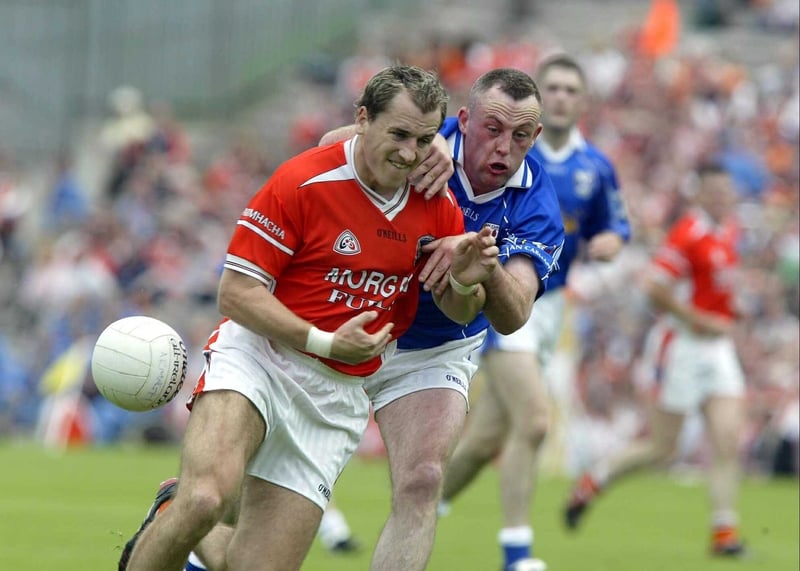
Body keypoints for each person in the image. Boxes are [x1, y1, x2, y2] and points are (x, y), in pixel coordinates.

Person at [142, 66, 565, 571]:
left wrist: (479, 269)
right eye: (492, 130)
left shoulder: (537, 205)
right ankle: (186, 523)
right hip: (331, 327)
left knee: (423, 478)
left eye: (520, 136)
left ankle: (193, 529)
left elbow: (513, 314)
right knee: (216, 500)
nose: (503, 147)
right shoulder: (425, 136)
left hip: (432, 347)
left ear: (536, 137)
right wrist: (417, 148)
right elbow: (335, 145)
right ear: (466, 121)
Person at [439, 53, 631, 571]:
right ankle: (517, 552)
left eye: (573, 89)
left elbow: (611, 225)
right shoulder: (475, 144)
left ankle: (428, 502)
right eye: (556, 86)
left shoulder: (595, 166)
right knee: (536, 420)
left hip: (553, 306)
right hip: (505, 300)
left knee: (485, 442)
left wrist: (610, 243)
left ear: (580, 101)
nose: (565, 95)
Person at [564, 161, 748, 557]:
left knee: (727, 438)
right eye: (714, 193)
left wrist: (731, 313)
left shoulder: (730, 230)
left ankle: (724, 533)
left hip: (717, 348)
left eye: (726, 192)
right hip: (680, 345)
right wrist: (699, 318)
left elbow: (714, 285)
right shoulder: (689, 233)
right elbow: (653, 287)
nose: (721, 199)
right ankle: (593, 481)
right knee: (663, 448)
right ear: (700, 194)